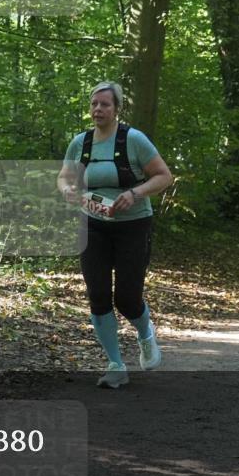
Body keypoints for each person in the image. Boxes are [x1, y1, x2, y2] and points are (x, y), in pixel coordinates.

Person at [57, 82, 173, 389]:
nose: (98, 110)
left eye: (105, 104)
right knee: (97, 293)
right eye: (94, 104)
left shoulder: (133, 140)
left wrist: (134, 194)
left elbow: (164, 175)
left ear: (116, 108)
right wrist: (68, 191)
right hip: (92, 225)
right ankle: (115, 364)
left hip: (133, 225)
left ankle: (145, 335)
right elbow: (64, 177)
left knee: (127, 297)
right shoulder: (80, 142)